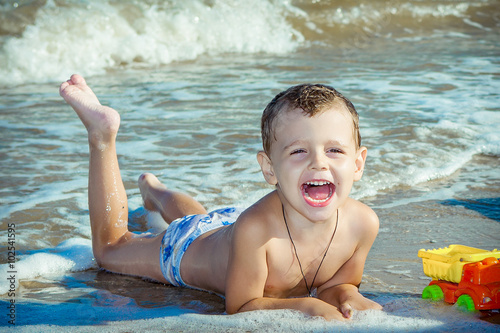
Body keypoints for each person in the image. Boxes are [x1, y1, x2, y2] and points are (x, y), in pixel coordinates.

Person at [59, 74, 382, 321]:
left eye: (334, 150)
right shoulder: (255, 231)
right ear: (269, 169)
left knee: (201, 219)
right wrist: (308, 306)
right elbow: (242, 306)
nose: (319, 162)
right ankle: (102, 137)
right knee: (111, 248)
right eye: (299, 151)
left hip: (226, 224)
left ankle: (153, 190)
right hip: (185, 249)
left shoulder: (363, 224)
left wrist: (344, 294)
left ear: (357, 163)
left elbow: (339, 284)